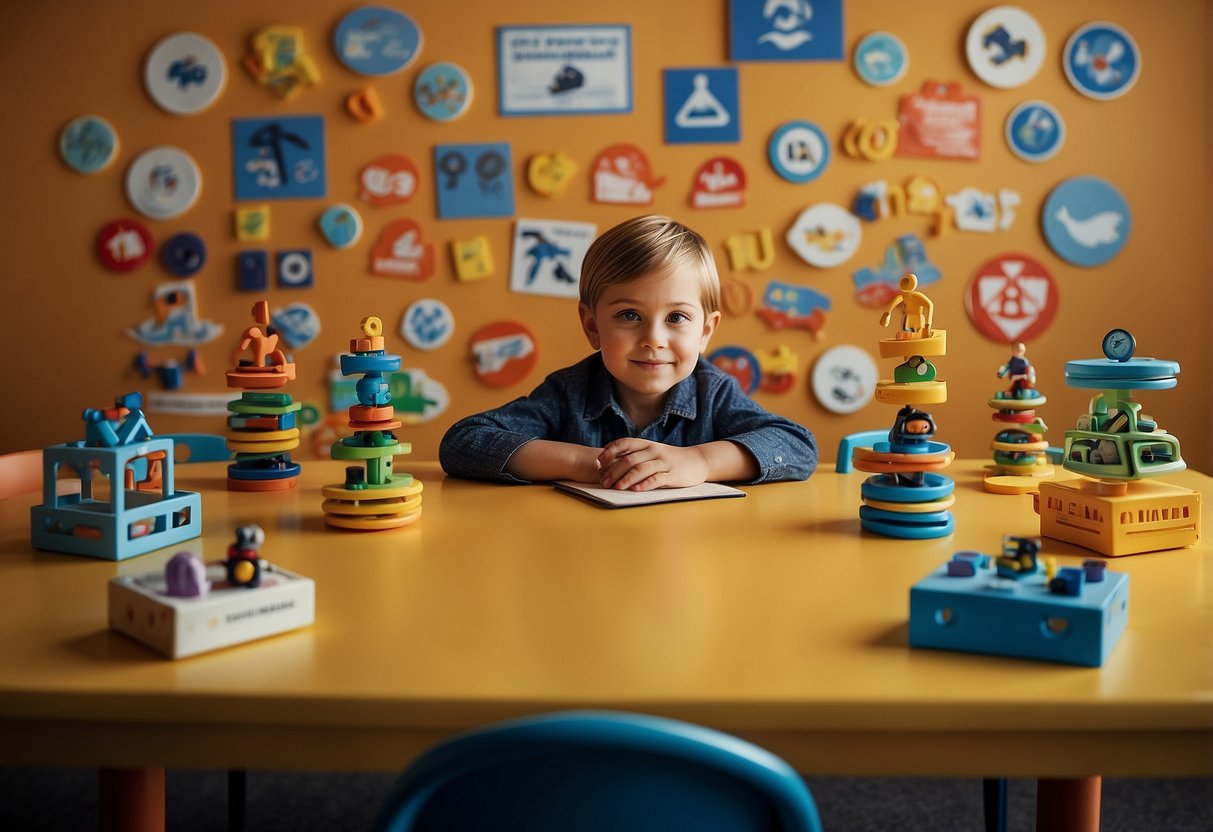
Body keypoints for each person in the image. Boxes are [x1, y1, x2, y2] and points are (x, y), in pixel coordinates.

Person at [440, 215, 817, 491]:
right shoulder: (568, 392)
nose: (653, 338)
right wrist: (586, 463)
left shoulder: (713, 392)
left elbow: (798, 446)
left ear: (705, 332)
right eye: (629, 315)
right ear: (592, 326)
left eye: (676, 317)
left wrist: (699, 462)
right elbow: (464, 442)